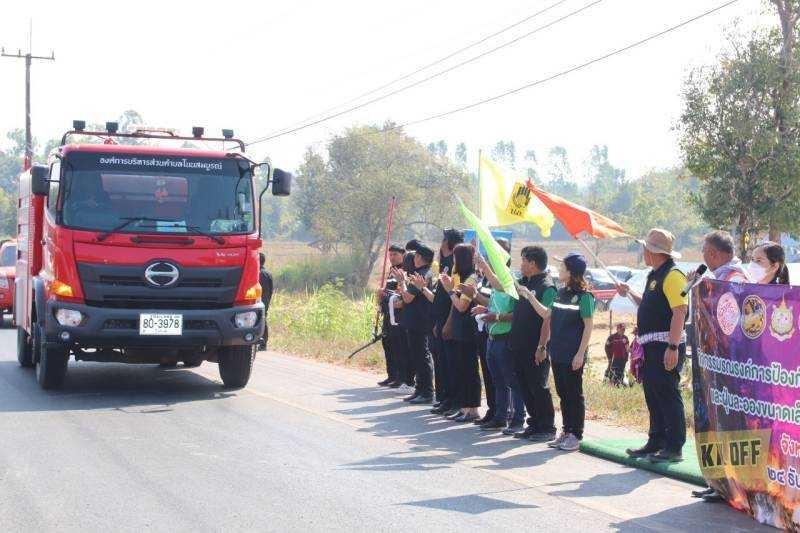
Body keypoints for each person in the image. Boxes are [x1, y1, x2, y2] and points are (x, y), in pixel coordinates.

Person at [617, 229, 688, 463]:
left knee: (667, 393)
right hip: (651, 345)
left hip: (664, 344)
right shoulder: (655, 275)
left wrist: (673, 346)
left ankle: (674, 445)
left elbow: (679, 312)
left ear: (653, 251)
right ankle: (656, 440)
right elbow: (650, 304)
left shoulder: (673, 275)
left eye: (645, 248)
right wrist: (629, 294)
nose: (642, 252)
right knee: (653, 394)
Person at [519, 253, 594, 452]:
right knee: (563, 394)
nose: (559, 270)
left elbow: (588, 327)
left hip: (573, 354)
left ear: (571, 272)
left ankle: (575, 434)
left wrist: (580, 354)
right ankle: (566, 431)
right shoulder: (561, 293)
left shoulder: (585, 296)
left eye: (563, 267)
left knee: (574, 395)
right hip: (558, 353)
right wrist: (529, 295)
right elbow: (546, 314)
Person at [471, 242, 525, 434]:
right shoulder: (493, 282)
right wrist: (485, 309)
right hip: (491, 337)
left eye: (493, 255)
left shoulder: (510, 280)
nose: (490, 259)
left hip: (505, 338)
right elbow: (495, 305)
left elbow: (513, 313)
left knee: (512, 381)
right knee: (497, 381)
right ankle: (500, 417)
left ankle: (518, 419)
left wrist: (483, 264)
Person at [507, 246, 557, 442]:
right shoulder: (524, 282)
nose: (521, 264)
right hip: (519, 344)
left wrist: (542, 346)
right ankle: (534, 423)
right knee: (525, 385)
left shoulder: (547, 286)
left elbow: (548, 318)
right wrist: (484, 265)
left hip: (535, 347)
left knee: (538, 386)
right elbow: (502, 284)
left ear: (533, 263)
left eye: (524, 261)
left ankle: (547, 427)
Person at [423, 229, 464, 415]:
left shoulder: (454, 267)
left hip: (449, 321)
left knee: (450, 365)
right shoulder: (443, 265)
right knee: (440, 361)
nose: (440, 243)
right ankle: (444, 398)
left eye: (443, 239)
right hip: (438, 319)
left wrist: (446, 323)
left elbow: (454, 297)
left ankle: (453, 400)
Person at [439, 244, 482, 422]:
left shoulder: (471, 279)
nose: (454, 261)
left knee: (469, 369)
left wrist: (449, 289)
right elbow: (454, 306)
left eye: (456, 258)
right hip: (459, 328)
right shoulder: (460, 277)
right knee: (461, 368)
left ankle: (471, 409)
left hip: (468, 330)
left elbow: (462, 306)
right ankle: (465, 407)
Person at [397, 244, 436, 404]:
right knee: (417, 355)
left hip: (419, 321)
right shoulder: (421, 273)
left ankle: (426, 391)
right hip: (414, 320)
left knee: (422, 355)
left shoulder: (423, 274)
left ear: (420, 258)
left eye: (416, 255)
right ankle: (420, 389)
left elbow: (407, 298)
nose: (413, 258)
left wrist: (401, 281)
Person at [377, 244, 406, 387]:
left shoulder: (404, 271)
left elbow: (401, 294)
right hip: (388, 312)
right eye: (390, 255)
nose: (392, 257)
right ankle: (391, 375)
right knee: (387, 344)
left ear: (402, 255)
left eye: (395, 254)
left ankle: (401, 377)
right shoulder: (391, 270)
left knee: (398, 346)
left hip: (398, 316)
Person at [258, 252, 274, 351]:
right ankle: (264, 343)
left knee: (259, 319)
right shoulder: (268, 274)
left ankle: (261, 342)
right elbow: (271, 289)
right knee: (264, 319)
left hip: (259, 299)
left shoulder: (257, 273)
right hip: (266, 299)